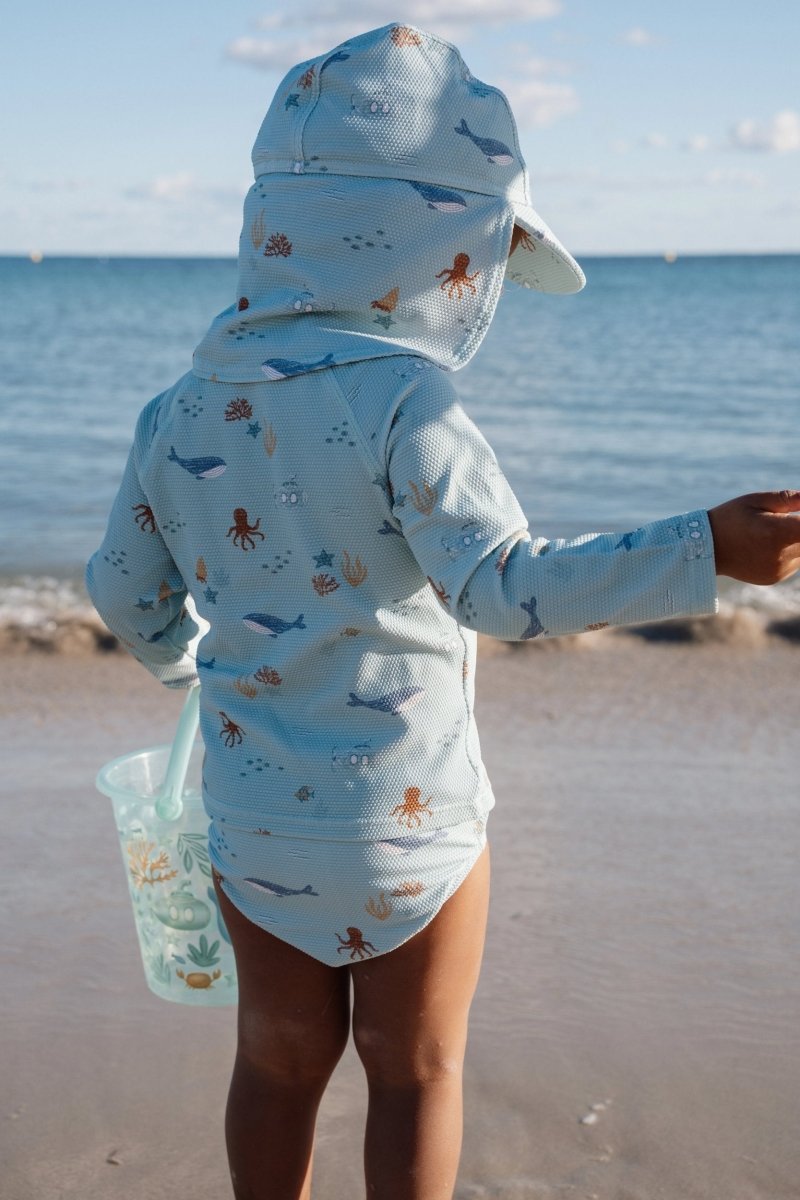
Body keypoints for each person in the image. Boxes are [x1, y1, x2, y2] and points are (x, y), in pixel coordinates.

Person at [86, 23, 800, 1200]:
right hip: (406, 821)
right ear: (425, 247)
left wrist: (184, 667)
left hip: (253, 816)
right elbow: (503, 588)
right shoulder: (405, 402)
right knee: (414, 1074)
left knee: (274, 1064)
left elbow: (124, 591)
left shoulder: (177, 412)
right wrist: (703, 548)